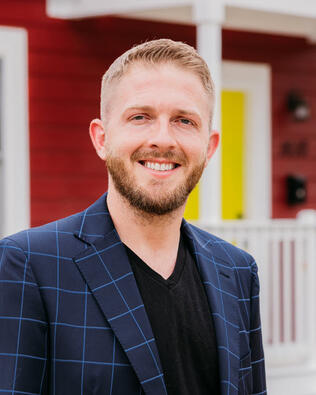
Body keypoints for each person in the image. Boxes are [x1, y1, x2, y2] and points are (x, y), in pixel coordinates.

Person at [0, 39, 266, 394]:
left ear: (209, 146)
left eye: (184, 120)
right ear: (102, 139)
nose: (162, 138)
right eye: (140, 117)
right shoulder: (29, 265)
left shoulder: (237, 272)